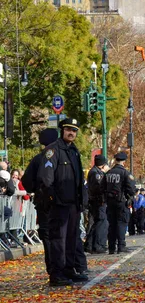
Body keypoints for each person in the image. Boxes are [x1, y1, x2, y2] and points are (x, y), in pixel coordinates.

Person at [36, 118, 88, 286]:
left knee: (72, 239)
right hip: (59, 204)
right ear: (62, 130)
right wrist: (52, 200)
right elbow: (46, 178)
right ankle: (57, 274)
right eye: (68, 129)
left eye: (74, 130)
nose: (71, 133)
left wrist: (81, 201)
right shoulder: (53, 150)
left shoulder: (73, 151)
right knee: (58, 239)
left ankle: (68, 270)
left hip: (73, 203)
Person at [21, 128, 59, 274]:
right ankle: (61, 268)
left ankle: (52, 268)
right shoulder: (59, 155)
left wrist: (36, 190)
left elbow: (27, 181)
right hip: (56, 201)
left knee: (48, 235)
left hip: (43, 202)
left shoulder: (38, 158)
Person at [103, 151, 136, 254]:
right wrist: (130, 197)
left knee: (112, 224)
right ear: (124, 162)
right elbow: (131, 189)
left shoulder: (108, 173)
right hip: (121, 201)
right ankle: (121, 246)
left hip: (110, 202)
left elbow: (103, 187)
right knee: (121, 223)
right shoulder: (125, 173)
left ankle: (111, 247)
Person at [84, 155, 109, 254]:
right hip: (98, 201)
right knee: (101, 222)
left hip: (97, 201)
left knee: (98, 222)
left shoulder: (94, 172)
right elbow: (99, 187)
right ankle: (97, 245)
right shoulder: (96, 173)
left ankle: (89, 245)